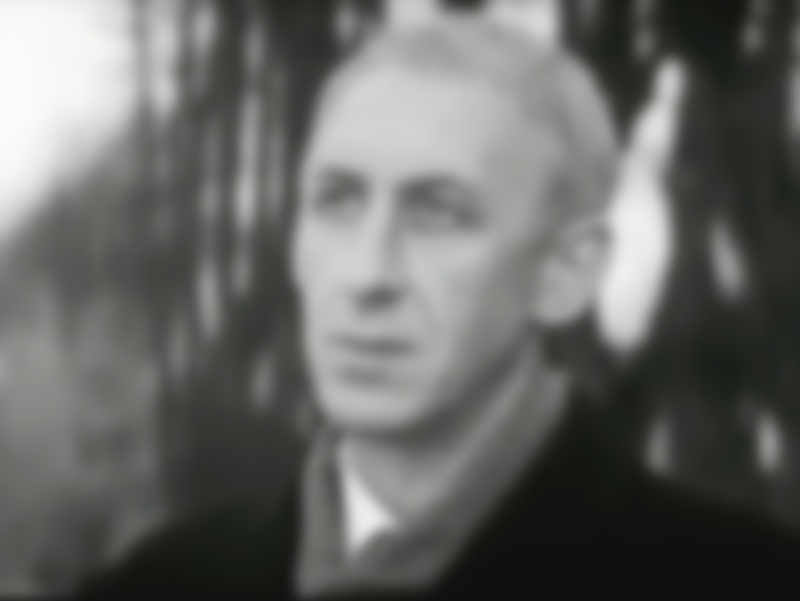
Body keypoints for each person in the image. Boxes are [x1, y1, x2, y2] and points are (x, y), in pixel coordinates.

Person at [77, 15, 800, 599]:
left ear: (566, 273)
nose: (367, 274)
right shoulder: (160, 584)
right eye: (337, 201)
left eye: (439, 213)